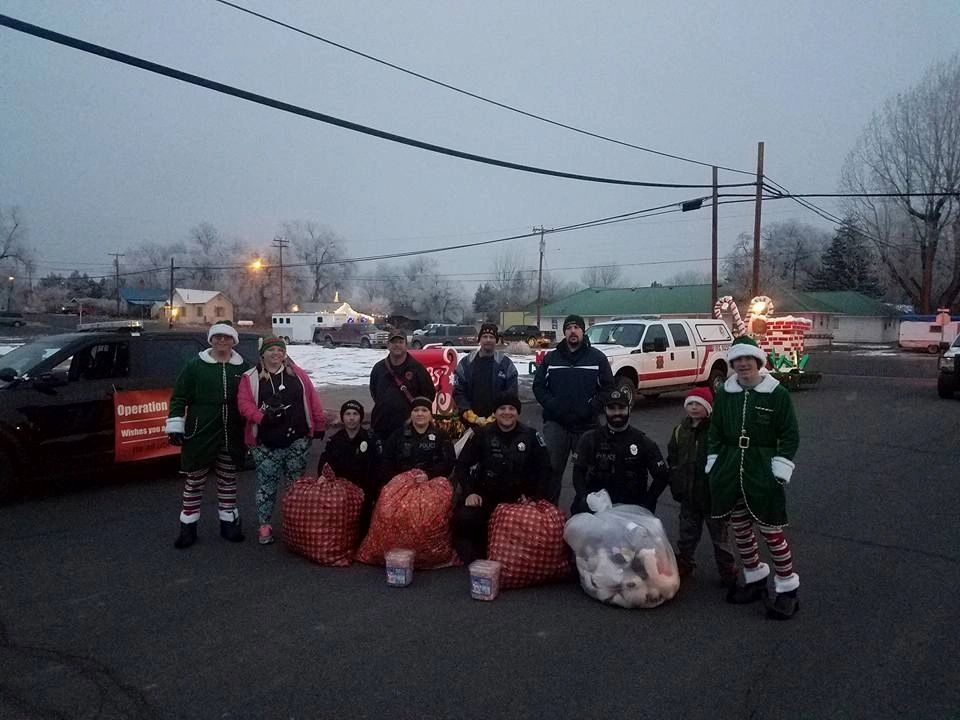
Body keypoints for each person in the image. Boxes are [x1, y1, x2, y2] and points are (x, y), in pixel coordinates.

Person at [706, 335, 801, 620]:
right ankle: (755, 580)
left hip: (762, 468)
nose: (743, 364)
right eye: (737, 359)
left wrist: (779, 468)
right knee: (740, 530)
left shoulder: (777, 394)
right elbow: (715, 433)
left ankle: (787, 590)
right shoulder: (725, 393)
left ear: (758, 361)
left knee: (771, 531)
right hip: (730, 468)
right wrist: (714, 463)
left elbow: (790, 435)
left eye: (748, 358)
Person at [166, 320, 251, 549]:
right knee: (195, 480)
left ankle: (228, 524)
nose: (222, 340)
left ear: (234, 341)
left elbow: (252, 397)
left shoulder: (243, 368)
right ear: (211, 340)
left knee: (228, 479)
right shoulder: (195, 365)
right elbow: (179, 397)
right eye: (217, 337)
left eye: (226, 337)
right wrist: (175, 424)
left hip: (231, 433)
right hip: (200, 431)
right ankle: (188, 528)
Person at [237, 337, 326, 545]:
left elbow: (312, 398)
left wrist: (319, 423)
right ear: (262, 354)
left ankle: (294, 522)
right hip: (266, 442)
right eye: (271, 350)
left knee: (295, 485)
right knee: (267, 485)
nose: (276, 353)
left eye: (280, 350)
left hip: (297, 438)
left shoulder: (297, 374)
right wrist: (262, 418)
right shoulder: (250, 377)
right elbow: (244, 404)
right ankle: (265, 525)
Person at [450, 392, 552, 563]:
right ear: (495, 412)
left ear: (518, 412)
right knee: (464, 519)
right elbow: (462, 465)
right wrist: (469, 492)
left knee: (537, 531)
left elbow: (545, 470)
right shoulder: (481, 434)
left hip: (519, 499)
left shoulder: (531, 436)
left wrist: (535, 498)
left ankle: (514, 558)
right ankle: (477, 558)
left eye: (511, 408)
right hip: (485, 494)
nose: (507, 412)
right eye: (502, 408)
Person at [533, 313, 613, 504]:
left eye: (576, 327)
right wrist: (553, 405)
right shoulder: (552, 358)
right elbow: (538, 386)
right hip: (556, 424)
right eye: (569, 328)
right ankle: (548, 513)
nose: (573, 331)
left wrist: (591, 407)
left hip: (587, 425)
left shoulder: (597, 358)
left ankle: (587, 510)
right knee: (551, 470)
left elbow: (609, 388)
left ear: (583, 331)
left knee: (588, 472)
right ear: (565, 332)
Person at [667, 387, 737, 586]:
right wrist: (675, 480)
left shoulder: (716, 430)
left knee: (720, 538)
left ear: (708, 407)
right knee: (687, 534)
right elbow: (673, 457)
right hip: (688, 495)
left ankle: (727, 570)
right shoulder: (680, 430)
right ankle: (685, 562)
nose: (694, 407)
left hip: (712, 497)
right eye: (690, 403)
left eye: (698, 404)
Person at [570, 386, 669, 515]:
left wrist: (647, 502)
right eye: (612, 408)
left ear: (629, 409)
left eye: (621, 408)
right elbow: (578, 472)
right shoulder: (590, 439)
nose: (617, 413)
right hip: (595, 510)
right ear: (605, 409)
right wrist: (584, 498)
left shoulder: (642, 441)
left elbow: (662, 476)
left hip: (631, 511)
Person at [317, 399, 383, 536]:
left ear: (361, 417)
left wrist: (375, 492)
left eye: (355, 414)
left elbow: (379, 466)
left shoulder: (371, 439)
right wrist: (322, 476)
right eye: (348, 414)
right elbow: (325, 461)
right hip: (340, 492)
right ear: (343, 417)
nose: (351, 418)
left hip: (365, 491)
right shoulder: (335, 440)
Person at [369, 331, 435, 439]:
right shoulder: (378, 368)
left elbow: (428, 396)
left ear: (406, 345)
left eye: (400, 342)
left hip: (408, 428)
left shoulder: (417, 369)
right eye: (393, 342)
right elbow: (374, 393)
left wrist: (416, 417)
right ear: (388, 345)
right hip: (382, 426)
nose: (397, 345)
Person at [453, 323, 518, 424]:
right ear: (479, 339)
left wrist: (497, 414)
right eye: (485, 336)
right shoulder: (466, 364)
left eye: (491, 337)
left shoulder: (506, 364)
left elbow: (512, 393)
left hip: (499, 423)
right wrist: (468, 412)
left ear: (496, 340)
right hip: (469, 422)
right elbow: (458, 391)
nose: (488, 340)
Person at [381, 396, 456, 480]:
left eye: (424, 410)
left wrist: (429, 475)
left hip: (433, 482)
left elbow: (448, 462)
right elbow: (386, 461)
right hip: (401, 482)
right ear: (411, 414)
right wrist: (401, 479)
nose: (420, 414)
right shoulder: (397, 435)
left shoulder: (442, 436)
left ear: (430, 414)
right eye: (416, 410)